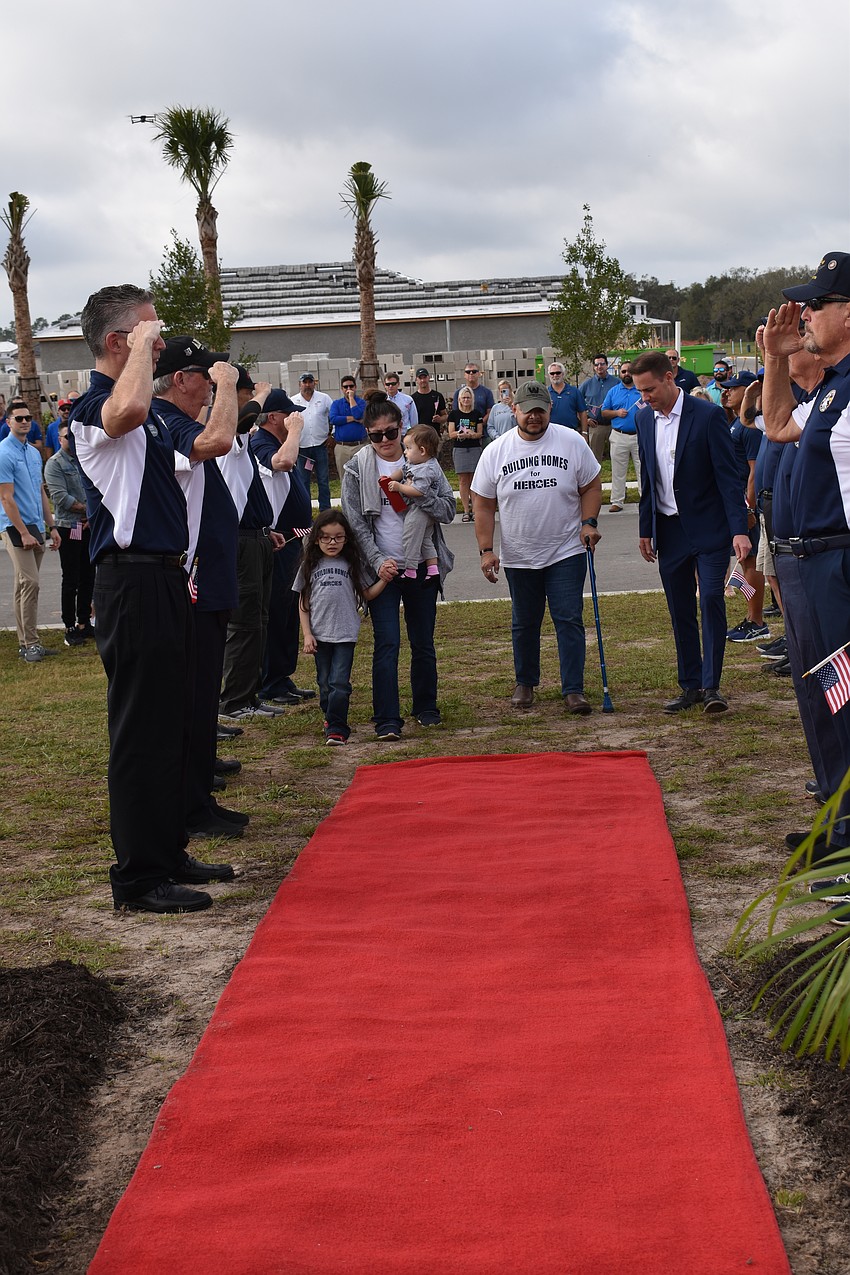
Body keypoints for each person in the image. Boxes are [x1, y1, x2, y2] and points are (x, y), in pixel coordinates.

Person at [69, 286, 237, 914]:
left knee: (172, 723)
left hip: (165, 577)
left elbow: (209, 444)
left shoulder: (153, 416)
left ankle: (167, 850)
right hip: (130, 580)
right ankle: (139, 876)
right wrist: (142, 350)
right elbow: (127, 410)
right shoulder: (94, 407)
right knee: (142, 731)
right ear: (119, 341)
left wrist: (220, 387)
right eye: (150, 332)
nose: (161, 342)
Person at [762, 252, 850, 887]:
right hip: (814, 563)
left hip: (839, 562)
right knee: (830, 704)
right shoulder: (831, 390)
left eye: (818, 304)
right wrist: (775, 358)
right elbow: (776, 426)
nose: (806, 314)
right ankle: (841, 832)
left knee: (847, 706)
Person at [150, 337, 249, 842]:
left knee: (204, 690)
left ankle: (199, 793)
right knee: (192, 695)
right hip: (192, 578)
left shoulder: (174, 421)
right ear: (181, 379)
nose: (211, 385)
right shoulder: (167, 422)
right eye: (205, 376)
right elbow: (217, 441)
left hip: (207, 575)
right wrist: (228, 385)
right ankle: (191, 803)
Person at [472, 379, 602, 714]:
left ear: (550, 409)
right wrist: (486, 549)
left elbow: (591, 485)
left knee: (569, 618)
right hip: (519, 553)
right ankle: (525, 682)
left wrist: (589, 522)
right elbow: (482, 503)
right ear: (514, 410)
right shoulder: (496, 451)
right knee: (525, 621)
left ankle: (573, 689)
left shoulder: (571, 441)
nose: (534, 417)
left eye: (540, 410)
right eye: (528, 411)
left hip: (566, 550)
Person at [633, 350, 750, 714]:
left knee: (711, 598)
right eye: (640, 391)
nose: (644, 398)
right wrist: (646, 528)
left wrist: (739, 529)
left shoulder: (707, 415)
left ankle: (712, 686)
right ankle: (690, 686)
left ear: (669, 378)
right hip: (669, 530)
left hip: (709, 527)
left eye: (649, 390)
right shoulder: (643, 419)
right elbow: (648, 478)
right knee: (680, 608)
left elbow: (729, 477)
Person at [341, 393, 455, 739]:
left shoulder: (425, 462)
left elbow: (448, 510)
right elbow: (355, 524)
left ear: (401, 427)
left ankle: (426, 706)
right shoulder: (356, 468)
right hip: (383, 572)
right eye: (377, 435)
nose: (385, 441)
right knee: (387, 643)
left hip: (421, 566)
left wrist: (419, 495)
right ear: (367, 434)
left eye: (391, 433)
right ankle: (387, 718)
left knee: (423, 642)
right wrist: (379, 563)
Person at [294, 508, 387, 745]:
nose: (332, 542)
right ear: (316, 539)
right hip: (319, 635)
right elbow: (303, 604)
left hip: (345, 634)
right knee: (325, 683)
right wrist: (307, 634)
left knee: (339, 683)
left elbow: (367, 594)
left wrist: (385, 580)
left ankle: (337, 727)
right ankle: (330, 716)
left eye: (338, 537)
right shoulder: (309, 565)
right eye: (325, 537)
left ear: (346, 538)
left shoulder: (352, 564)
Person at [250, 389, 316, 706]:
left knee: (288, 609)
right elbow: (284, 462)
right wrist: (296, 432)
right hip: (276, 540)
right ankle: (270, 681)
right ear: (274, 417)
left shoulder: (276, 440)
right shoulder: (262, 442)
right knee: (276, 611)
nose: (294, 417)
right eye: (288, 413)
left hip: (290, 539)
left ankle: (282, 676)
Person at [0, 401, 60, 660]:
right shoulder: (3, 453)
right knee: (31, 583)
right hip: (15, 527)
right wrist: (23, 532)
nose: (25, 422)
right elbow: (6, 498)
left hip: (36, 525)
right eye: (19, 418)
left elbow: (40, 492)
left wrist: (51, 526)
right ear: (8, 422)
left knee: (23, 585)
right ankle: (30, 643)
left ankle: (26, 643)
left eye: (28, 418)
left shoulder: (34, 454)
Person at [721, 371, 768, 642]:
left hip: (745, 501)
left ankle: (757, 621)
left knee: (751, 561)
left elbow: (754, 470)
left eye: (733, 388)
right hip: (736, 498)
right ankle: (752, 617)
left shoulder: (749, 428)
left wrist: (749, 508)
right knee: (744, 560)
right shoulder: (737, 423)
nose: (727, 392)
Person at [44, 419, 95, 647]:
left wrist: (91, 515)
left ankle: (84, 622)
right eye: (67, 437)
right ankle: (69, 626)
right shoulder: (54, 464)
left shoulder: (84, 459)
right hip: (69, 527)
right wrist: (88, 510)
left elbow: (96, 489)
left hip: (87, 526)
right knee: (71, 578)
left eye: (74, 436)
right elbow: (60, 498)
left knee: (88, 576)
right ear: (59, 439)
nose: (72, 441)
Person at [386, 424, 443, 579]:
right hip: (423, 509)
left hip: (421, 510)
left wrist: (399, 487)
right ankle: (433, 569)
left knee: (409, 537)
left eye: (408, 448)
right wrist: (390, 478)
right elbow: (403, 470)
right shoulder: (416, 463)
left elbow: (418, 491)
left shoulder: (427, 469)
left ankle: (410, 570)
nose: (405, 452)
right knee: (425, 539)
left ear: (422, 450)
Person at [601, 361, 642, 511]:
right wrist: (616, 413)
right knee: (618, 470)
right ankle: (617, 501)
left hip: (639, 436)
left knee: (642, 469)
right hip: (619, 436)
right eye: (623, 371)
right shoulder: (613, 391)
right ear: (620, 373)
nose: (626, 374)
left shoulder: (641, 390)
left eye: (629, 371)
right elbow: (604, 412)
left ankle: (645, 498)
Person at [293, 372, 333, 510]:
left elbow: (333, 416)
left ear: (314, 383)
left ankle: (325, 510)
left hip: (320, 445)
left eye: (310, 382)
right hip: (302, 448)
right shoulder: (293, 401)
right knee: (303, 481)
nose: (307, 385)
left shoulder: (324, 398)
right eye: (304, 382)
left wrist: (332, 435)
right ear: (300, 384)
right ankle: (305, 511)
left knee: (323, 480)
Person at [448, 385, 484, 521]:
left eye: (468, 397)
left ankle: (475, 510)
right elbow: (451, 434)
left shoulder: (477, 414)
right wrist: (460, 433)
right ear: (459, 399)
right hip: (460, 449)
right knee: (463, 480)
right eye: (463, 398)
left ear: (472, 399)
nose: (466, 400)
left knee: (474, 480)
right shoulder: (454, 414)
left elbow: (480, 433)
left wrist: (471, 434)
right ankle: (466, 511)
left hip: (474, 448)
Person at [579, 355, 619, 462]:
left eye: (602, 364)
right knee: (594, 460)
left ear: (607, 365)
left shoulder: (616, 383)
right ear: (594, 367)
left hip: (614, 425)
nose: (599, 366)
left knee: (618, 458)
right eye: (596, 364)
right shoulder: (586, 385)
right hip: (596, 427)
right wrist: (586, 420)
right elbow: (577, 404)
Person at [329, 375, 367, 479]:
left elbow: (358, 415)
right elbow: (333, 419)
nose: (348, 389)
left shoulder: (361, 403)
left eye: (351, 386)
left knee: (362, 477)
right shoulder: (336, 404)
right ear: (342, 389)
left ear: (355, 387)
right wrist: (352, 418)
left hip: (359, 446)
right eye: (346, 387)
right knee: (344, 478)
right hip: (342, 447)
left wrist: (351, 398)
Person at [546, 361, 588, 435]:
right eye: (552, 373)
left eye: (558, 373)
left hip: (571, 432)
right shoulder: (545, 393)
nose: (555, 375)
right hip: (551, 433)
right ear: (549, 375)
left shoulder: (574, 391)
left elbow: (582, 413)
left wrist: (584, 432)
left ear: (563, 374)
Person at [451, 362, 494, 427]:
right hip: (463, 429)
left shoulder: (487, 392)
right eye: (468, 372)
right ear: (464, 375)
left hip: (483, 430)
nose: (471, 373)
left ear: (479, 374)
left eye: (474, 371)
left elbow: (490, 412)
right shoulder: (458, 393)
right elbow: (455, 413)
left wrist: (479, 424)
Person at [410, 367, 448, 431]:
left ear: (429, 378)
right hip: (419, 434)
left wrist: (440, 419)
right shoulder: (412, 399)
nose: (423, 380)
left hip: (434, 433)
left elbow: (445, 415)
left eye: (424, 377)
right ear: (416, 380)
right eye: (420, 378)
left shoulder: (438, 396)